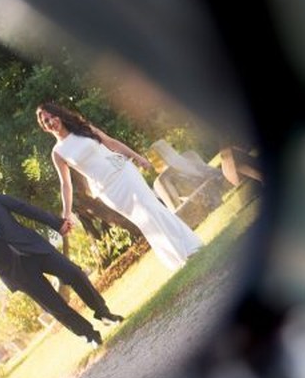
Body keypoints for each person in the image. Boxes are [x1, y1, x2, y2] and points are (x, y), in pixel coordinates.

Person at [0, 181, 124, 347]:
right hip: (16, 271)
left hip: (35, 248)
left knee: (75, 273)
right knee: (55, 305)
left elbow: (23, 208)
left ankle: (103, 313)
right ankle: (89, 336)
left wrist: (56, 223)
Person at [35, 101, 203, 270]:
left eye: (51, 116)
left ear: (59, 115)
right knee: (143, 220)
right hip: (107, 190)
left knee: (150, 208)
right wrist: (66, 214)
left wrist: (137, 157)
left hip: (123, 172)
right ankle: (176, 259)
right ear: (44, 128)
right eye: (46, 121)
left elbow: (111, 143)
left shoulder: (82, 128)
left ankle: (189, 247)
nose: (51, 122)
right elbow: (66, 184)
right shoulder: (58, 153)